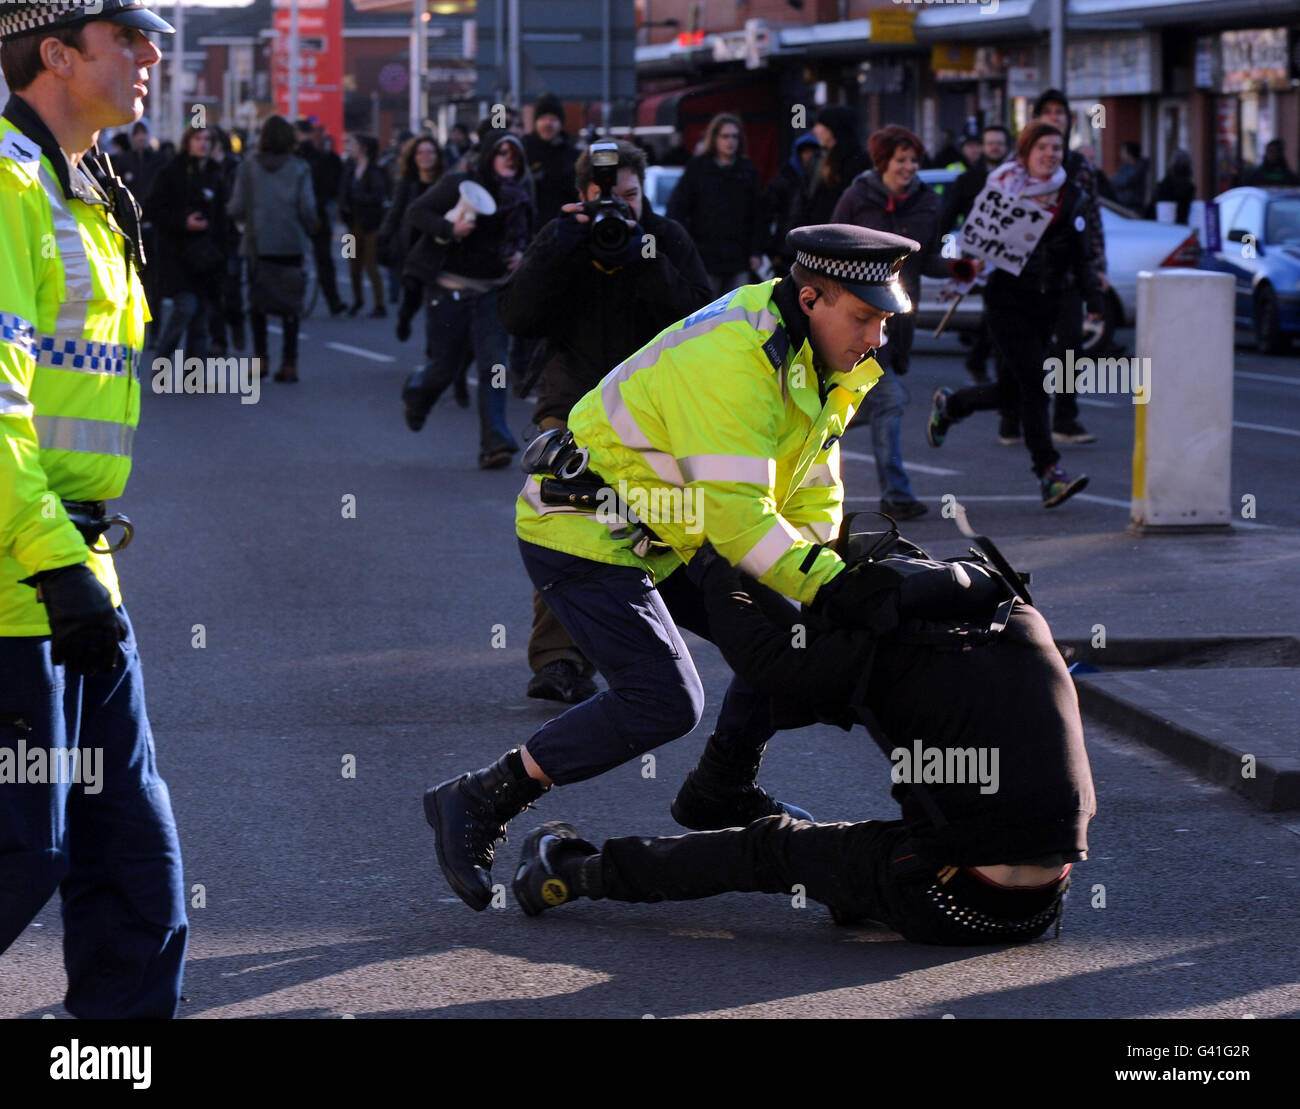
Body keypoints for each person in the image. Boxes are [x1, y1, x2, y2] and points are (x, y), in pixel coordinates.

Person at [426, 224, 928, 912]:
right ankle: (481, 795)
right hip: (581, 526)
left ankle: (722, 786)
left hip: (670, 529)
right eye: (865, 317)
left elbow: (811, 486)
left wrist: (820, 579)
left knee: (792, 632)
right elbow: (742, 521)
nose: (877, 338)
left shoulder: (821, 352)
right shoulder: (737, 357)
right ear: (811, 297)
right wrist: (834, 585)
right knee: (664, 699)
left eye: (885, 319)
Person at [511, 534, 1095, 945]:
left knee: (770, 847)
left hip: (951, 895)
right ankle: (848, 881)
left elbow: (767, 663)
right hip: (1041, 904)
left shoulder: (890, 645)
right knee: (892, 835)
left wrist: (717, 561)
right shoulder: (1017, 619)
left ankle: (568, 872)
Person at [0, 0, 187, 1017]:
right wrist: (51, 560)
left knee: (128, 843)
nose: (153, 52)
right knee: (22, 847)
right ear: (58, 54)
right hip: (20, 572)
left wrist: (73, 563)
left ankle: (117, 1044)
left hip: (70, 557)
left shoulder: (85, 188)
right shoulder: (6, 185)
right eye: (129, 36)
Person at [498, 138, 711, 705]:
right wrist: (559, 247)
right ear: (581, 196)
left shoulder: (666, 239)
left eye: (630, 197)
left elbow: (701, 320)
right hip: (572, 402)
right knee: (568, 525)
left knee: (655, 530)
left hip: (655, 411)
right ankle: (559, 661)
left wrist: (645, 256)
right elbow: (518, 317)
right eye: (605, 198)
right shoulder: (563, 237)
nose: (619, 209)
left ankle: (637, 650)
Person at [926, 121, 1102, 509]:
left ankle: (953, 405)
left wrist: (1095, 301)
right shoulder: (1003, 187)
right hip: (1006, 300)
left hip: (1048, 302)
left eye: (1056, 149)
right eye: (1042, 148)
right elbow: (974, 239)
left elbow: (1082, 255)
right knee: (1037, 383)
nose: (1050, 155)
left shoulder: (1071, 195)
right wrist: (963, 269)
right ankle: (1049, 472)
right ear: (1025, 153)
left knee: (1017, 389)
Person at [833, 126, 976, 521]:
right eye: (900, 161)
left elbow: (925, 258)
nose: (909, 168)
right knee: (890, 400)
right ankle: (895, 492)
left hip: (898, 319)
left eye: (913, 161)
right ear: (882, 163)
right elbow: (831, 248)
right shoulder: (857, 198)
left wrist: (957, 268)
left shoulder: (927, 203)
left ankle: (809, 434)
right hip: (856, 314)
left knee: (864, 405)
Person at [398, 128, 531, 469]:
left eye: (515, 156)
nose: (509, 161)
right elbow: (417, 212)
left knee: (494, 366)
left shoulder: (520, 195)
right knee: (445, 367)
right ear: (488, 156)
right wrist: (449, 229)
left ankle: (495, 443)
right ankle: (418, 393)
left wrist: (520, 256)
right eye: (503, 154)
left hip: (491, 291)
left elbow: (529, 236)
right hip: (449, 289)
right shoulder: (458, 183)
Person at [1030, 89, 1106, 445]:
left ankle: (1065, 417)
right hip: (1026, 273)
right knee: (1028, 348)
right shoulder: (1017, 170)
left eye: (1060, 112)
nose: (1054, 117)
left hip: (1069, 272)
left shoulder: (1080, 167)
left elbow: (1092, 219)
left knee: (1070, 345)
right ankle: (1015, 414)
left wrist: (1098, 267)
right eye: (1047, 111)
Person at [227, 114, 317, 383]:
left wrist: (243, 221)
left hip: (257, 244)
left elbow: (237, 207)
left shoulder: (248, 167)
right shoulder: (300, 168)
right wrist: (312, 226)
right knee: (291, 305)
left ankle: (261, 361)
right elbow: (307, 208)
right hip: (291, 243)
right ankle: (289, 364)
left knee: (258, 305)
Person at [939, 124, 1011, 391]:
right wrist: (935, 246)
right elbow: (949, 214)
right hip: (979, 257)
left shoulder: (1016, 178)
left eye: (999, 143)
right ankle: (980, 361)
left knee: (998, 310)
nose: (994, 148)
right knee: (995, 309)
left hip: (1009, 256)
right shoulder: (968, 179)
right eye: (990, 142)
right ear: (983, 146)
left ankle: (981, 359)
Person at [146, 123, 226, 363]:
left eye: (207, 140)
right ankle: (163, 357)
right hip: (178, 254)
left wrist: (222, 247)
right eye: (198, 138)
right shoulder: (171, 172)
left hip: (206, 256)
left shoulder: (215, 173)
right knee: (185, 308)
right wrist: (183, 221)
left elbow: (224, 214)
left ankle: (194, 375)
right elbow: (152, 209)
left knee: (201, 318)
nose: (203, 144)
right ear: (188, 142)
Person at [667, 113, 764, 297]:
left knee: (737, 312)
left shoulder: (747, 171)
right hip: (706, 256)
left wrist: (756, 252)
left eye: (734, 136)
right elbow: (678, 208)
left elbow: (757, 215)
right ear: (715, 138)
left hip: (738, 256)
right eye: (725, 136)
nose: (730, 141)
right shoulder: (698, 168)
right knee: (708, 312)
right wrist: (686, 245)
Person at [296, 118, 346, 316]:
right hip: (315, 213)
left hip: (309, 214)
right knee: (321, 260)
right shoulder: (318, 158)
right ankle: (332, 300)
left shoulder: (300, 158)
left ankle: (331, 300)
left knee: (312, 259)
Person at [792, 104, 869, 228]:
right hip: (813, 235)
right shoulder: (817, 158)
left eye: (820, 125)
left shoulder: (858, 161)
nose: (815, 130)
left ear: (832, 129)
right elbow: (803, 201)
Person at [338, 132, 389, 317]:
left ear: (363, 149)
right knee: (352, 264)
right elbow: (342, 192)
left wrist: (355, 198)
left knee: (370, 264)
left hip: (370, 225)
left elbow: (377, 196)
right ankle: (357, 300)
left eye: (354, 144)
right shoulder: (349, 168)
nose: (351, 148)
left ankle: (379, 304)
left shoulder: (375, 171)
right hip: (351, 226)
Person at [206, 125, 246, 358]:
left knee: (232, 289)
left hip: (231, 234)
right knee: (212, 292)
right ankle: (218, 340)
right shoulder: (203, 166)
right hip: (209, 236)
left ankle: (236, 322)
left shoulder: (234, 165)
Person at [764, 132, 819, 278]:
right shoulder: (783, 180)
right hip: (785, 250)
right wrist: (773, 251)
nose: (808, 156)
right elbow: (770, 215)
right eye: (805, 152)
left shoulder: (822, 181)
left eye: (812, 152)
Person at [1148, 149, 1196, 225]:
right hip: (1181, 225)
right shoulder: (1189, 187)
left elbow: (1153, 206)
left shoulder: (1165, 183)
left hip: (1162, 223)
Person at [1110, 141, 1149, 212]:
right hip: (1121, 206)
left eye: (1123, 152)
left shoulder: (1138, 169)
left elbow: (1122, 181)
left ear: (1129, 154)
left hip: (1133, 208)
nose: (1120, 154)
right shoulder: (1124, 167)